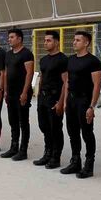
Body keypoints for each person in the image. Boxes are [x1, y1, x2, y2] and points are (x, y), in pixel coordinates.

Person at [61, 31, 101, 178]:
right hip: (71, 100)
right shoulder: (70, 60)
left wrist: (92, 106)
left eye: (78, 40)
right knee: (72, 133)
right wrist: (65, 101)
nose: (74, 42)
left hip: (84, 101)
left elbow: (97, 85)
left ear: (86, 43)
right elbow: (67, 82)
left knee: (87, 133)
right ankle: (75, 161)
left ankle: (89, 165)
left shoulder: (93, 61)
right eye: (74, 40)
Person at [34, 31, 68, 169]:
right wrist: (38, 95)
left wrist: (61, 102)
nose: (45, 43)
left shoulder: (62, 59)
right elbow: (42, 77)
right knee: (44, 126)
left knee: (55, 128)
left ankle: (55, 156)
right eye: (45, 40)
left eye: (48, 40)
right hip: (43, 97)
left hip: (55, 97)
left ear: (56, 42)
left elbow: (66, 82)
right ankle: (47, 153)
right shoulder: (44, 59)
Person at [2, 29, 34, 161]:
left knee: (23, 121)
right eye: (9, 37)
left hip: (22, 93)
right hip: (11, 93)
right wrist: (5, 90)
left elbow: (29, 73)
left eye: (12, 37)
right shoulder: (8, 54)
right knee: (12, 121)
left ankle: (23, 150)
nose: (9, 39)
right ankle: (13, 146)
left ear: (19, 39)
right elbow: (6, 73)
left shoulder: (26, 54)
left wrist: (25, 92)